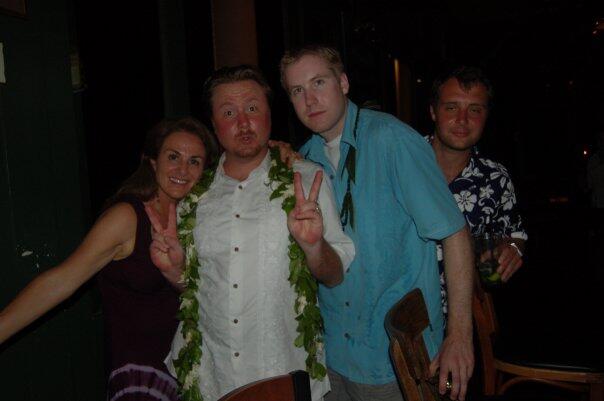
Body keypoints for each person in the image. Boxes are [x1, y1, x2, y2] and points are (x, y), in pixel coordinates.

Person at [280, 45, 474, 401]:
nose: (309, 99)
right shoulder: (303, 160)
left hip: (395, 359)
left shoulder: (392, 140)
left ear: (343, 83)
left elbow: (455, 233)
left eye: (318, 82)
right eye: (297, 90)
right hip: (333, 358)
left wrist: (459, 335)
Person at [151, 65, 355, 401]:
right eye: (229, 112)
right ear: (214, 123)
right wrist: (175, 273)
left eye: (252, 108)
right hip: (211, 377)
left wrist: (314, 246)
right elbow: (198, 290)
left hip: (283, 374)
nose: (243, 122)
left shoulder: (307, 181)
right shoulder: (193, 196)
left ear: (269, 114)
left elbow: (334, 276)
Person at [0, 117, 219, 401]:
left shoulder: (196, 219)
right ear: (152, 162)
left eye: (194, 161)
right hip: (139, 379)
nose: (182, 169)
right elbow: (62, 280)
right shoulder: (126, 217)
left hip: (184, 374)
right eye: (173, 156)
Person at [428, 66, 527, 316]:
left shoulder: (495, 178)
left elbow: (515, 234)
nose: (462, 119)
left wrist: (512, 250)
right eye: (451, 107)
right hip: (397, 318)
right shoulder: (402, 161)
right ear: (433, 111)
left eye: (475, 109)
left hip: (460, 317)